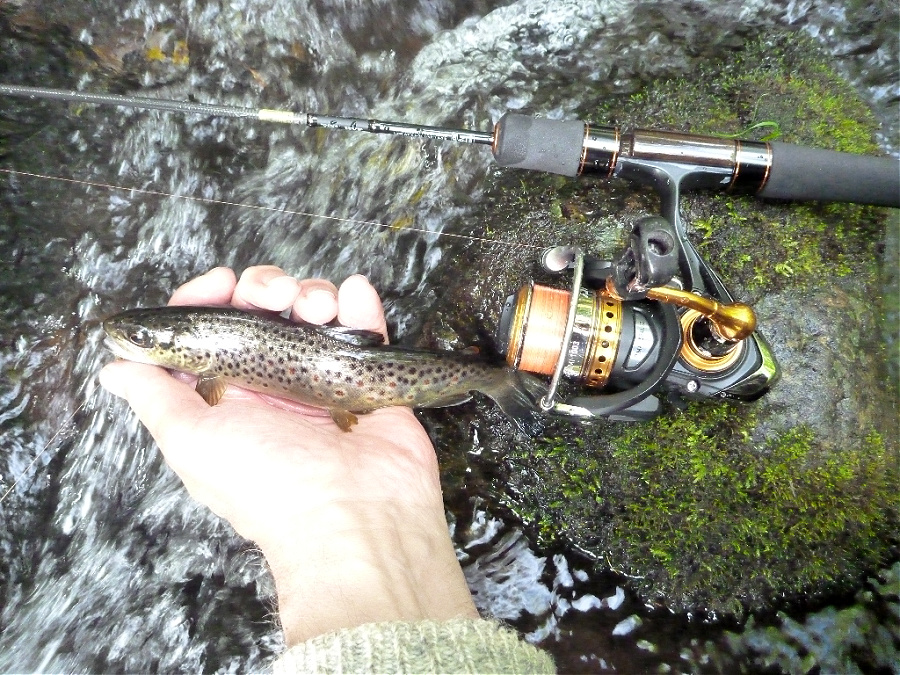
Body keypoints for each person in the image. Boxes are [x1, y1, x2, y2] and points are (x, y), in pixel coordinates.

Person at [99, 265, 555, 674]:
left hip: (377, 380)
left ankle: (499, 380)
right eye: (141, 338)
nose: (128, 341)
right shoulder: (210, 380)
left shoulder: (212, 373)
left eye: (141, 338)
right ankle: (498, 381)